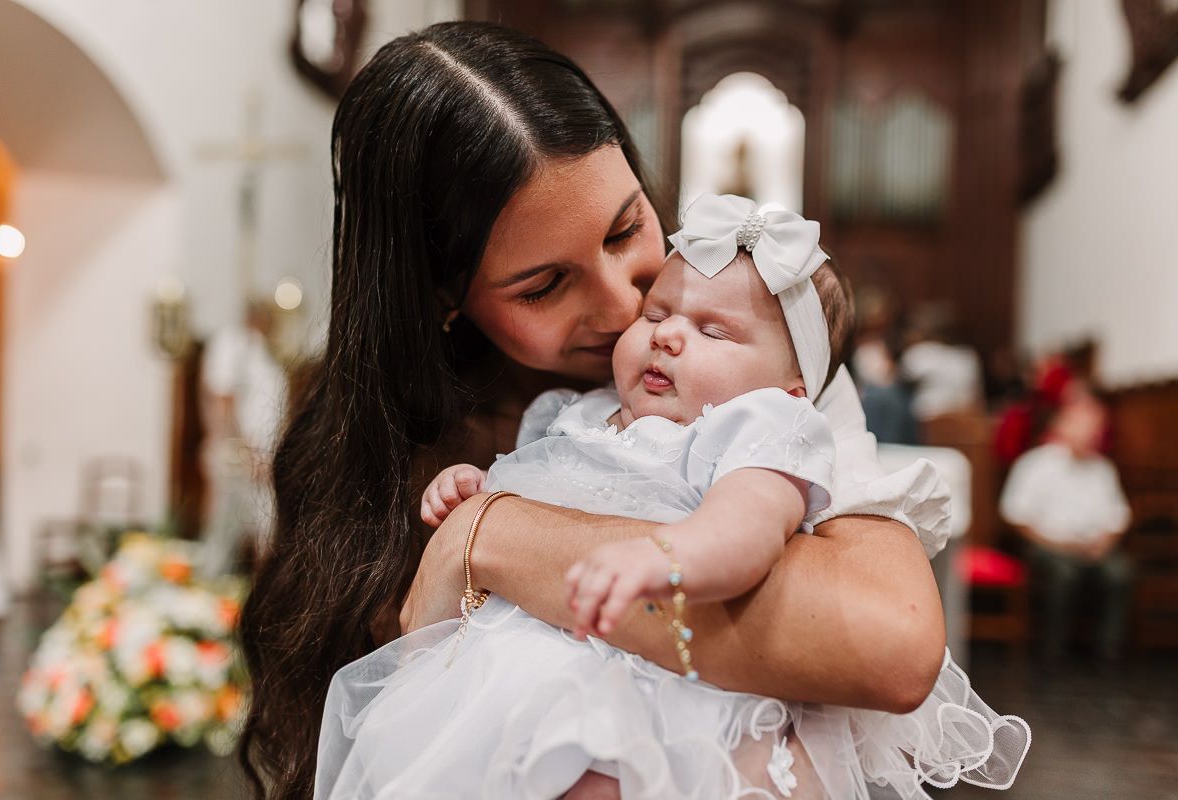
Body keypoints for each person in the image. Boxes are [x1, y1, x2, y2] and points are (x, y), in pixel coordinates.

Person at [239, 22, 951, 800]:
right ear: (442, 298)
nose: (625, 306)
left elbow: (891, 647)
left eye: (626, 228)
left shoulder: (764, 369)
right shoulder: (384, 444)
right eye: (543, 286)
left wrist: (490, 534)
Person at [316, 196, 1029, 799]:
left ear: (788, 391)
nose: (669, 339)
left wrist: (667, 557)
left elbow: (746, 526)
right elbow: (526, 484)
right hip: (505, 667)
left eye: (714, 330)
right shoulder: (577, 410)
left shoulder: (759, 427)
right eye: (657, 315)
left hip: (645, 678)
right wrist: (474, 489)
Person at [1000, 385, 1132, 661]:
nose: (1089, 434)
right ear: (1062, 425)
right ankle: (1052, 651)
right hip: (1048, 545)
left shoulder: (1102, 469)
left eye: (1094, 428)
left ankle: (1106, 653)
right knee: (1063, 574)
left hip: (1092, 547)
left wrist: (1103, 543)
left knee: (1120, 572)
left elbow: (1118, 516)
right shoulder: (1035, 464)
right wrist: (1056, 544)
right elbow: (1015, 515)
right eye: (1082, 425)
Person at [198, 299, 287, 576]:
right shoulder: (233, 345)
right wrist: (244, 451)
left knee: (265, 533)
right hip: (242, 454)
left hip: (262, 456)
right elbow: (224, 400)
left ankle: (257, 603)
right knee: (224, 533)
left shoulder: (265, 353)